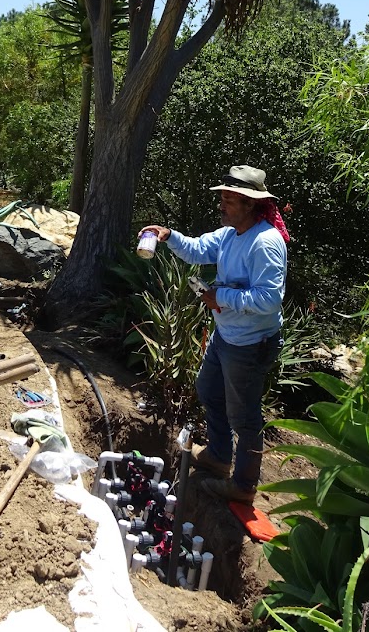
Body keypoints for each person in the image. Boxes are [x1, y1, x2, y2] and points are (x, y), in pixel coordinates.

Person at [139, 165, 289, 504]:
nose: (221, 206)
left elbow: (269, 299)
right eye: (222, 198)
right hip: (227, 335)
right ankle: (219, 457)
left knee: (245, 418)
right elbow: (196, 249)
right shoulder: (229, 235)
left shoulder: (265, 243)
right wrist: (168, 235)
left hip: (251, 344)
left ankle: (244, 486)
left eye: (229, 200)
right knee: (208, 390)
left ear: (250, 203)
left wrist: (220, 297)